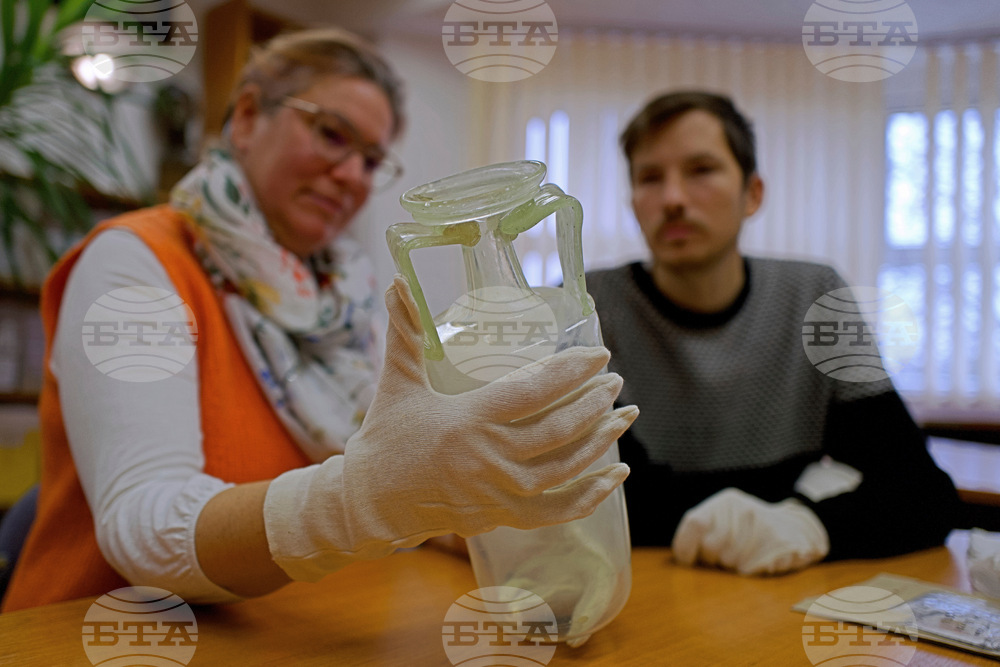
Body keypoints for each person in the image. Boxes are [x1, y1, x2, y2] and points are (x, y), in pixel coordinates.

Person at [1, 28, 636, 611]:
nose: (353, 174)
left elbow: (400, 476)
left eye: (371, 159)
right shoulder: (136, 264)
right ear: (246, 117)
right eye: (333, 135)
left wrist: (509, 517)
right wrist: (363, 500)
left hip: (293, 627)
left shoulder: (346, 294)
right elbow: (146, 530)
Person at [585, 90, 959, 575]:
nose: (673, 199)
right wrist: (789, 500)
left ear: (753, 194)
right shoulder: (586, 307)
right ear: (633, 202)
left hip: (782, 586)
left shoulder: (817, 297)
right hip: (645, 585)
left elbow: (921, 491)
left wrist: (810, 524)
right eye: (650, 178)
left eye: (701, 170)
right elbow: (595, 502)